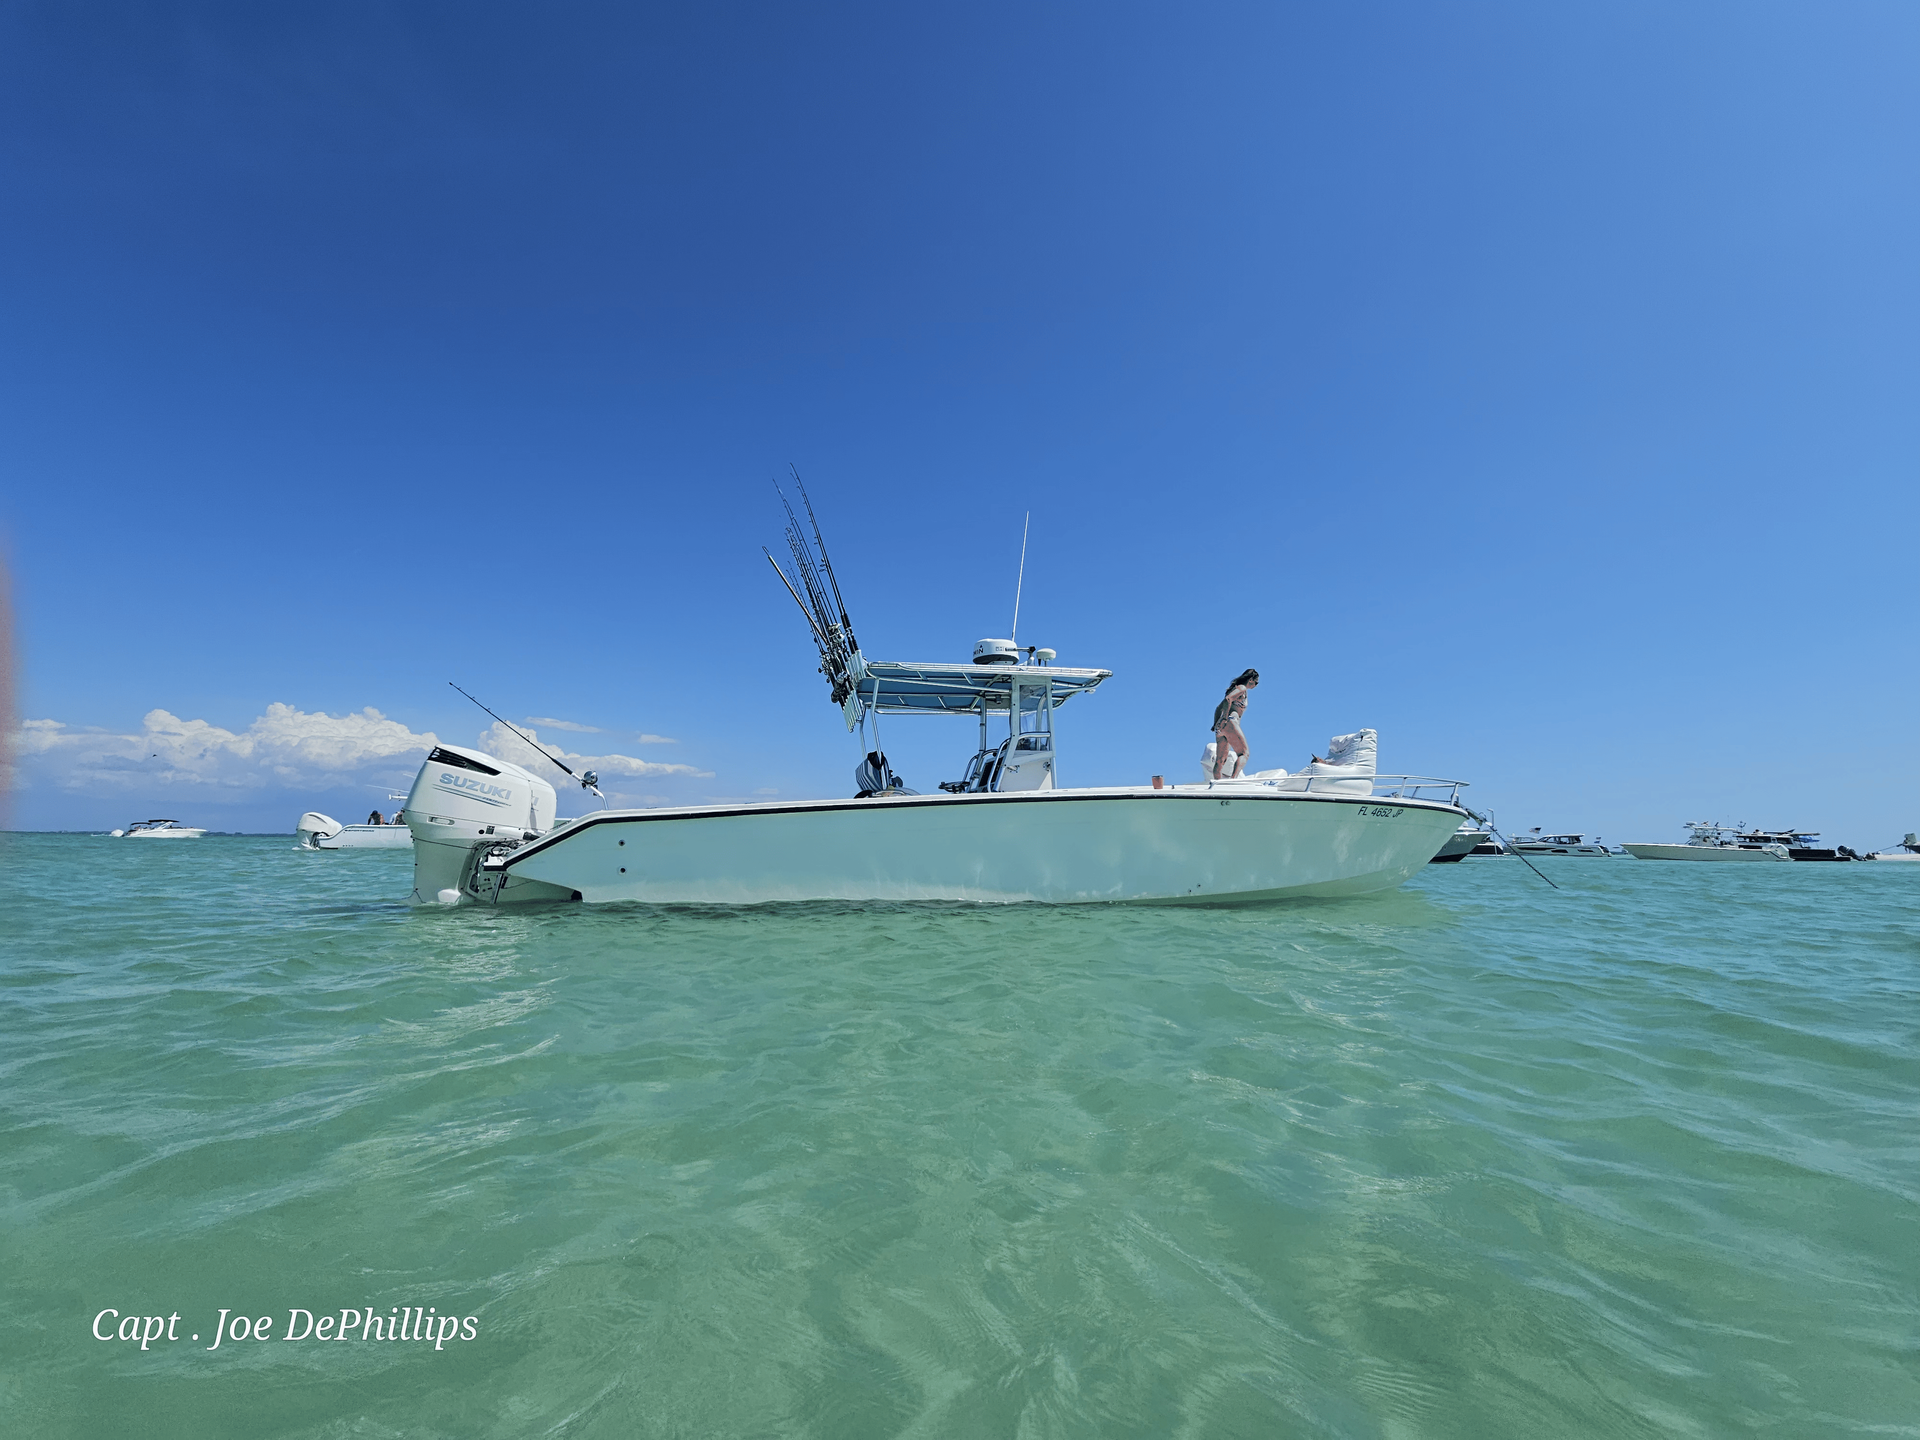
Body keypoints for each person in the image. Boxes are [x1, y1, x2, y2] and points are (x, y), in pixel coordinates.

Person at [1211, 668, 1259, 779]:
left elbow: (1219, 707)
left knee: (1220, 760)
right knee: (1244, 753)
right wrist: (1224, 718)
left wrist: (1216, 724)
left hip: (1221, 727)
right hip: (1230, 721)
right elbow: (1228, 699)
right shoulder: (1242, 688)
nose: (1256, 685)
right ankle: (1233, 780)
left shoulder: (1234, 689)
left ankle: (1217, 784)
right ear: (1251, 679)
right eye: (1256, 682)